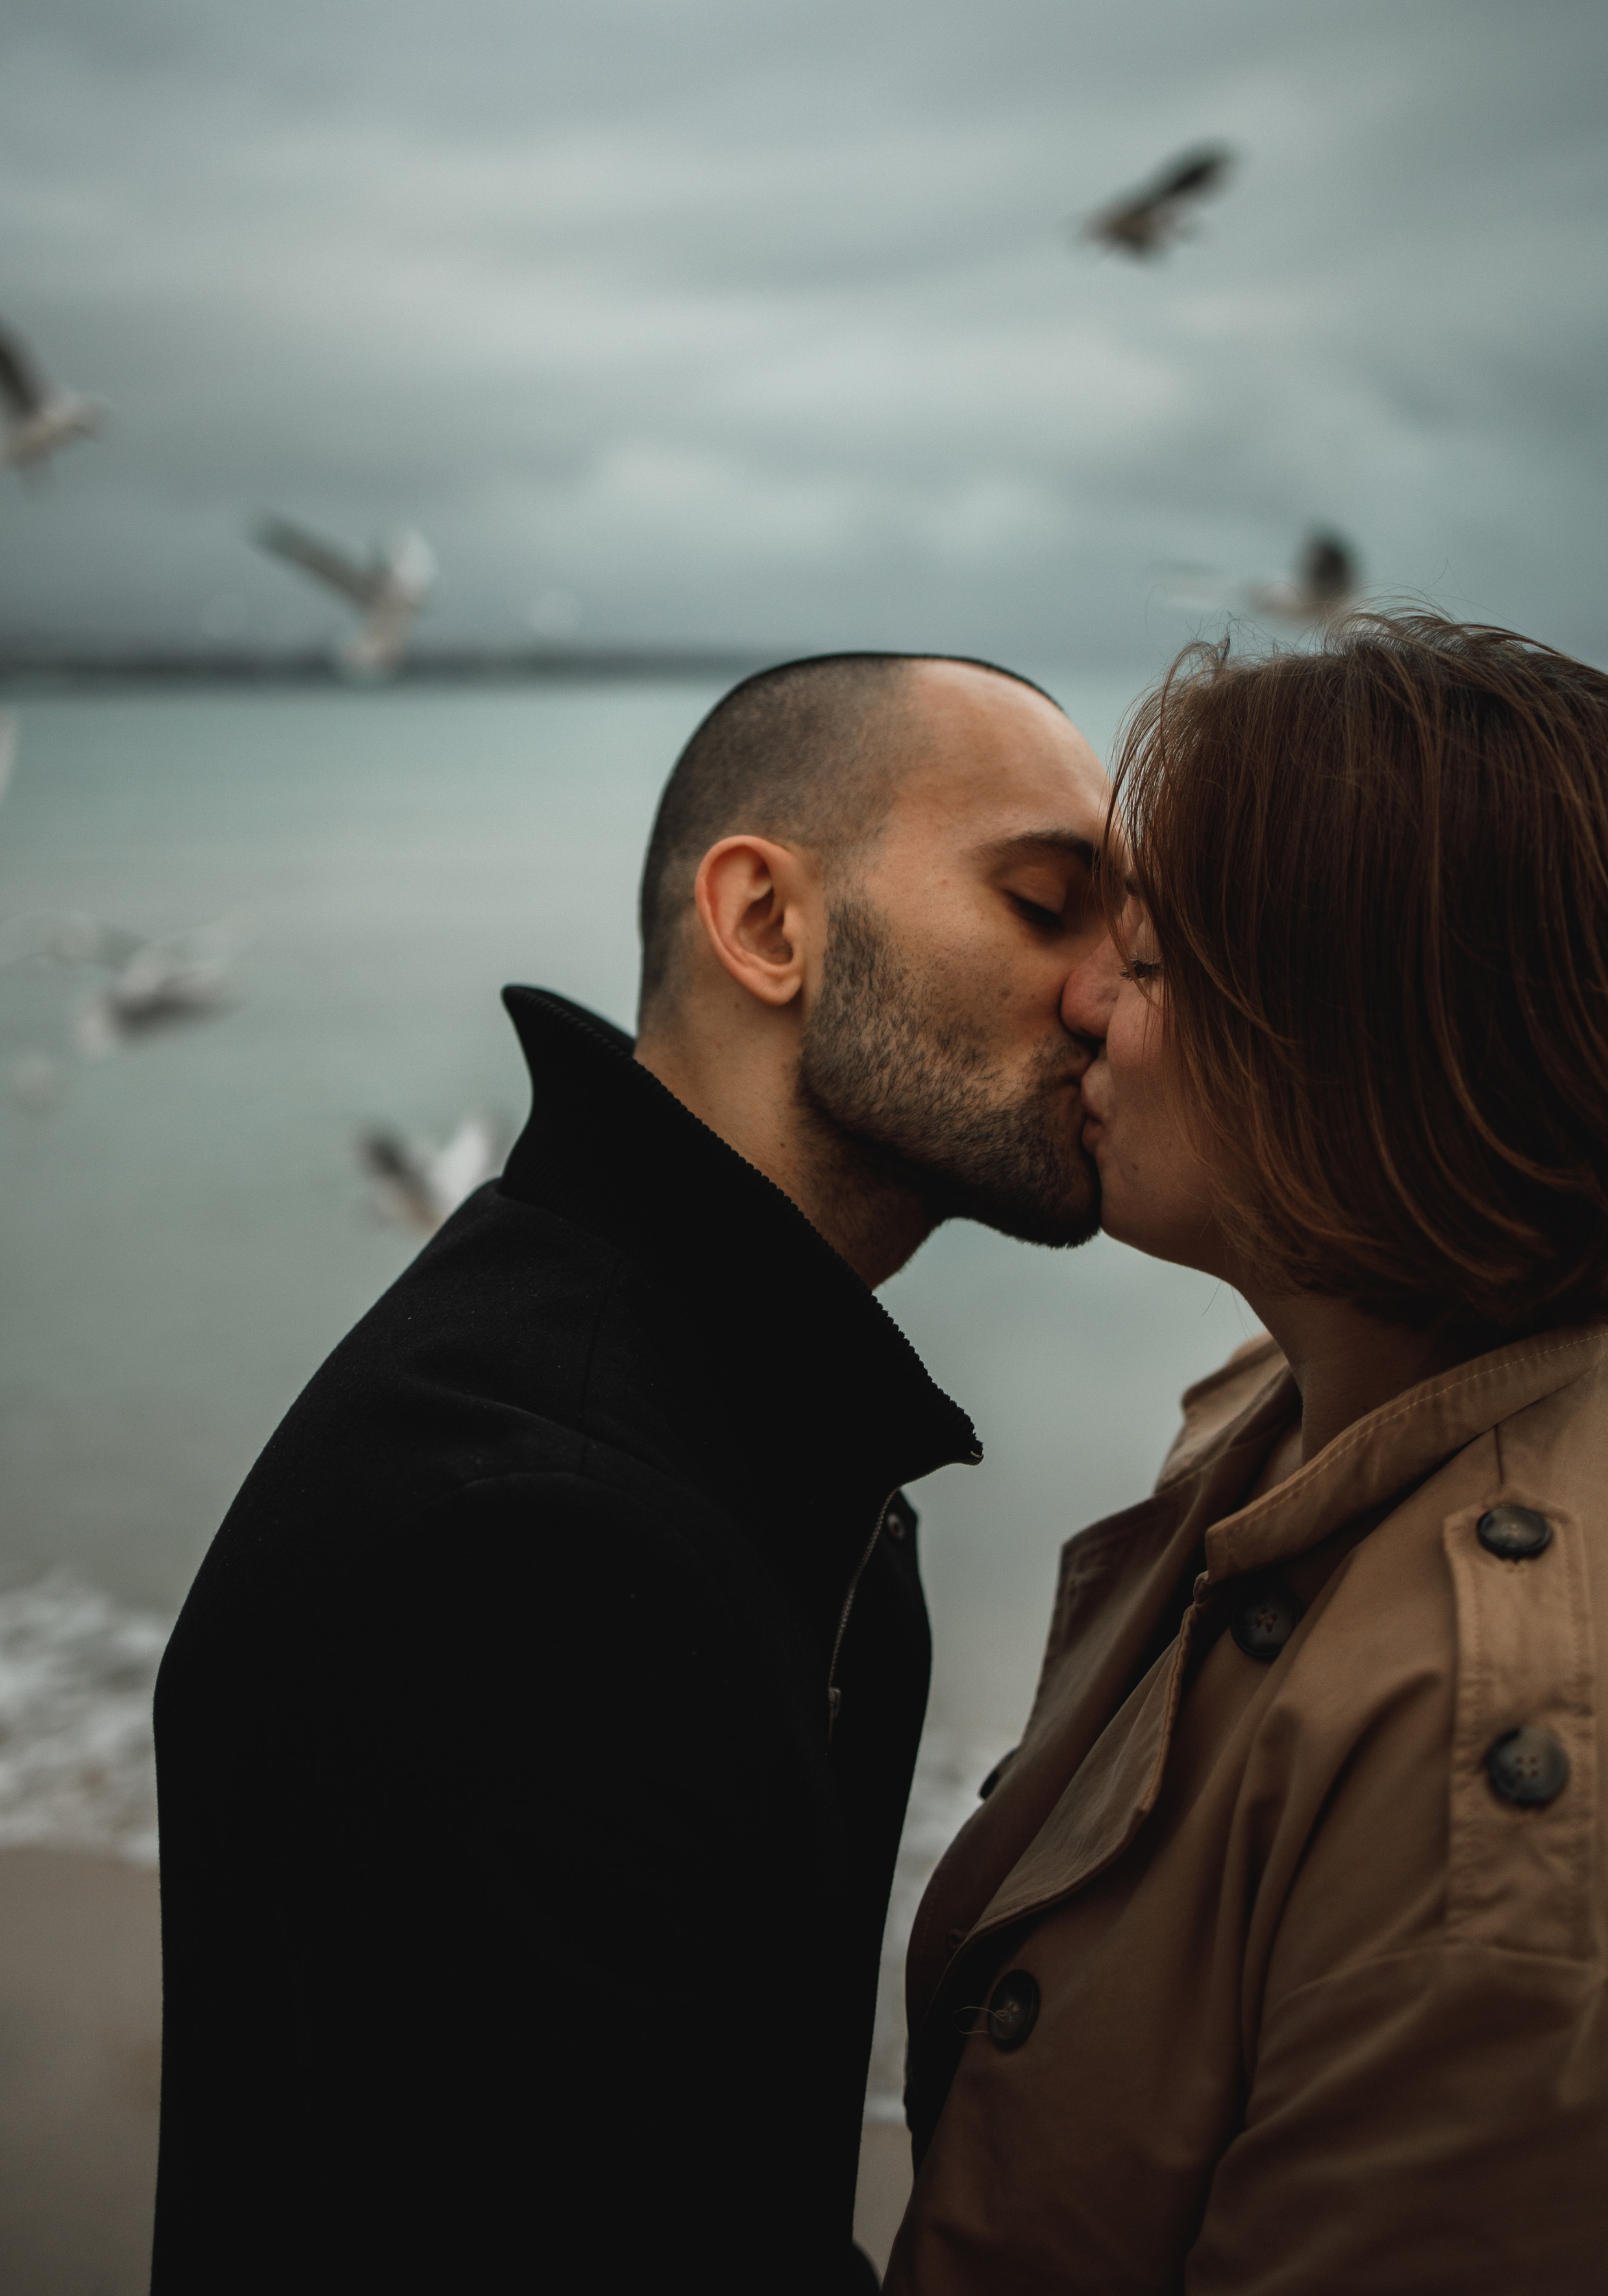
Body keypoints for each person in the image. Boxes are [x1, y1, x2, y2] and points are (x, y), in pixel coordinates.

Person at [151, 650, 1111, 2294]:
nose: (1107, 994)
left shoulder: (756, 1426)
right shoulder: (530, 1547)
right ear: (766, 925)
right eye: (1043, 906)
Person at [888, 613, 1608, 2295]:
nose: (1079, 1004)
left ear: (1355, 1044)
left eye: (1143, 963)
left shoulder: (1502, 1735)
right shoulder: (1278, 1412)